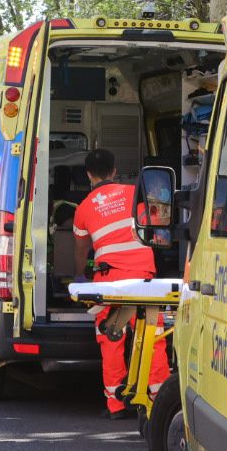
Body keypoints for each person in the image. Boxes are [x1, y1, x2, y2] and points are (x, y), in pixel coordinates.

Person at [72, 148, 166, 418]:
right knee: (153, 337)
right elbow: (154, 225)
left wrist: (81, 276)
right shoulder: (134, 194)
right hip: (144, 278)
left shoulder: (84, 208)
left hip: (110, 281)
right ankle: (159, 399)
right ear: (114, 171)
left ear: (89, 175)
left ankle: (116, 404)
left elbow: (81, 250)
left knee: (111, 337)